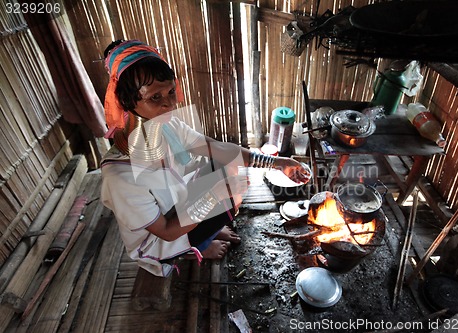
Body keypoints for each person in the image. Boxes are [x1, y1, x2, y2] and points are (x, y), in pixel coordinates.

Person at [100, 40, 310, 277]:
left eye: (170, 92)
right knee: (226, 194)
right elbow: (166, 231)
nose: (169, 104)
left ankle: (207, 232)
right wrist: (214, 194)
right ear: (128, 102)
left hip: (181, 204)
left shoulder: (167, 127)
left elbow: (216, 148)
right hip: (160, 242)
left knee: (226, 167)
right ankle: (199, 245)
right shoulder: (121, 176)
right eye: (154, 98)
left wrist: (277, 163)